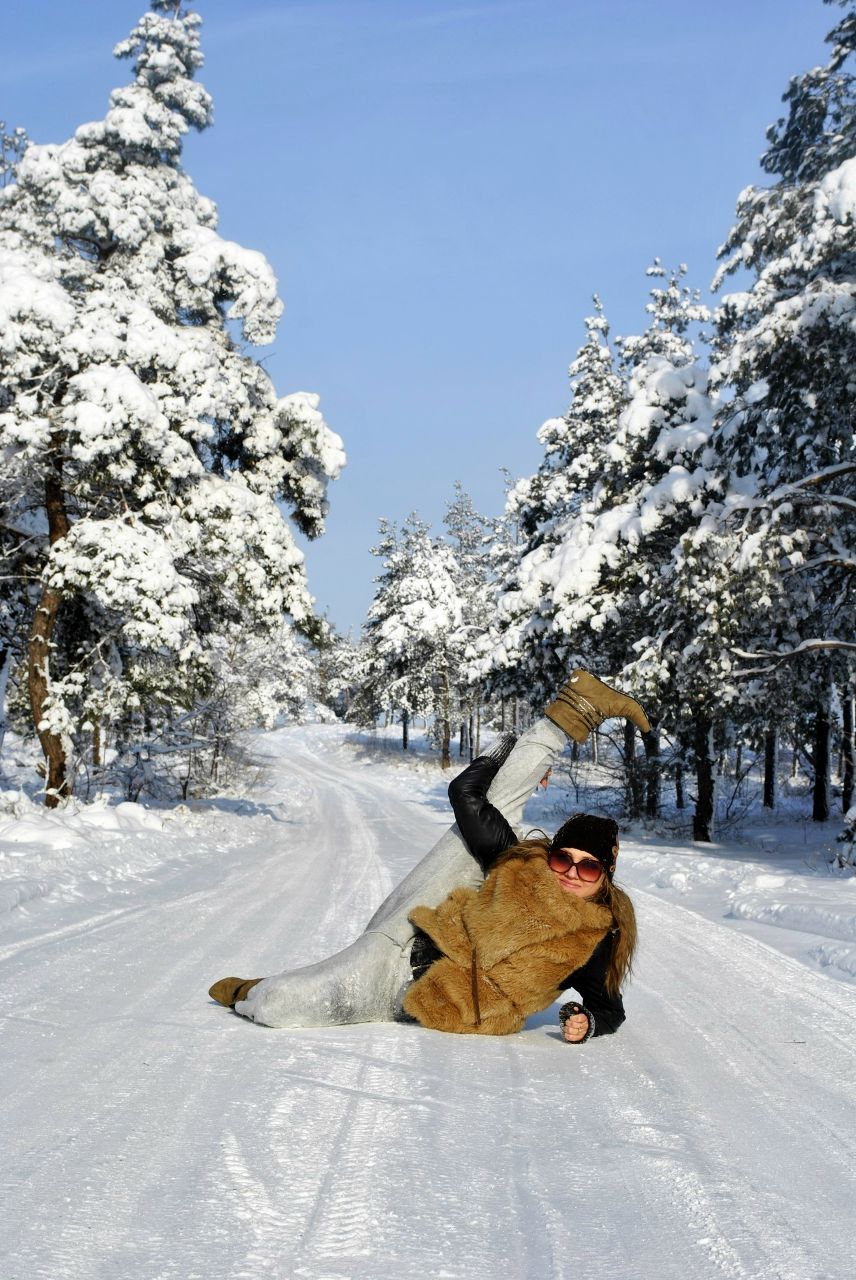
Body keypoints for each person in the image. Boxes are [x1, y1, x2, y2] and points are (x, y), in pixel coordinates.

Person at [209, 669, 649, 1042]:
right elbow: (465, 794)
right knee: (281, 1006)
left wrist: (585, 1021)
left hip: (424, 1005)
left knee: (287, 1001)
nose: (571, 873)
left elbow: (609, 1009)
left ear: (606, 874)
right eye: (562, 859)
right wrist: (504, 753)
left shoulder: (595, 940)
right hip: (398, 952)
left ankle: (262, 987)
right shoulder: (523, 869)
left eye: (588, 866)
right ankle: (570, 712)